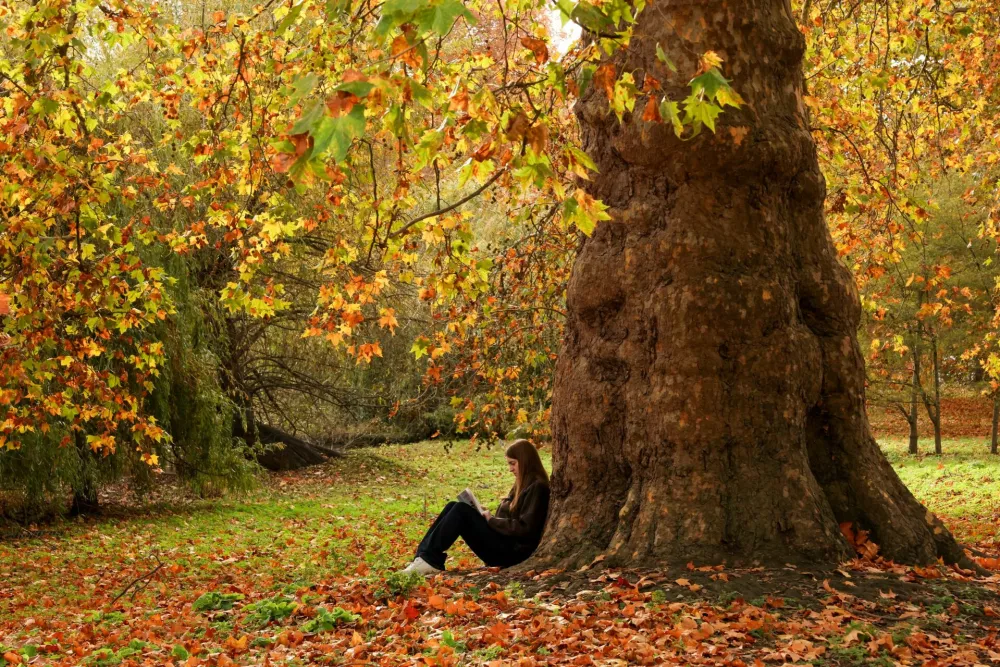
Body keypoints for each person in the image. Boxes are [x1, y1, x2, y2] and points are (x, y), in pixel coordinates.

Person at [400, 439, 550, 575]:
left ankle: (429, 561)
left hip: (512, 554)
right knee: (453, 505)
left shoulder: (538, 487)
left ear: (525, 462)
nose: (510, 469)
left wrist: (492, 520)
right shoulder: (522, 482)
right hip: (503, 543)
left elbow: (526, 528)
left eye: (513, 463)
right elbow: (511, 515)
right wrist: (482, 512)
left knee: (461, 511)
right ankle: (422, 557)